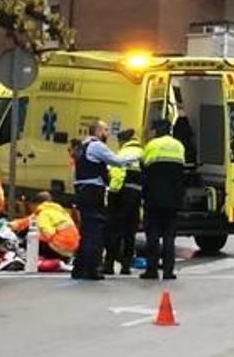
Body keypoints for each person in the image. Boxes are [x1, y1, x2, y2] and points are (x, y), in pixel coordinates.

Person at [71, 120, 137, 280]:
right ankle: (92, 269)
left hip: (82, 191)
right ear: (98, 131)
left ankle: (79, 268)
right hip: (93, 192)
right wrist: (136, 156)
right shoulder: (96, 146)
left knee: (86, 232)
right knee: (94, 232)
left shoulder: (81, 146)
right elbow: (116, 161)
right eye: (105, 130)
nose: (107, 133)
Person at [140, 119, 185, 280]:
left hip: (153, 199)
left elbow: (143, 168)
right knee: (169, 236)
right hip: (173, 200)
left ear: (156, 131)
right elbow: (181, 174)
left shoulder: (152, 145)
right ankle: (168, 271)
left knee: (152, 235)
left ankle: (151, 269)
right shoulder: (179, 146)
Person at [103, 129, 144, 275]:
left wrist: (112, 194)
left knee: (115, 232)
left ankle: (109, 264)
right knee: (130, 233)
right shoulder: (143, 153)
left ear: (122, 141)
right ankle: (126, 266)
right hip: (136, 197)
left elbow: (117, 175)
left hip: (121, 196)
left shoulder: (122, 154)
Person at [10, 192, 80, 260]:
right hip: (71, 250)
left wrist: (36, 237)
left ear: (35, 204)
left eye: (30, 206)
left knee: (30, 239)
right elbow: (28, 220)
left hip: (60, 247)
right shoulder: (58, 211)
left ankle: (29, 259)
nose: (30, 209)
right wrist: (12, 224)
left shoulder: (44, 214)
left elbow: (48, 234)